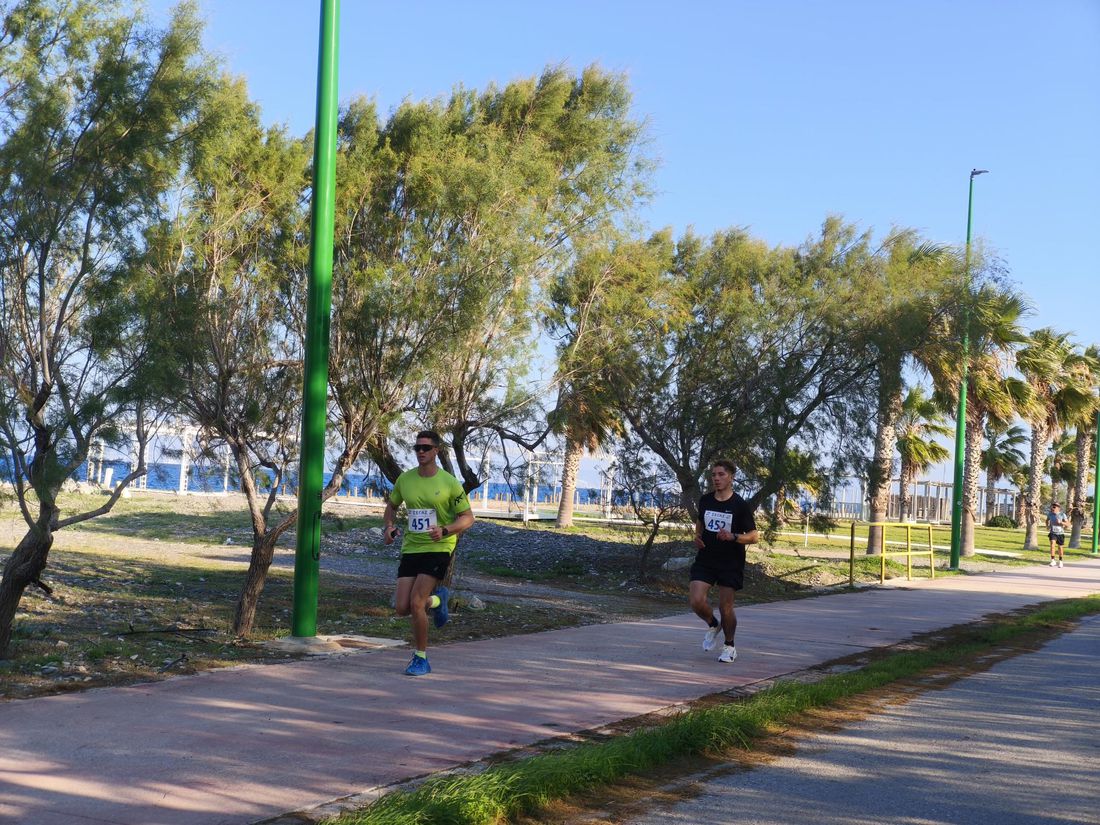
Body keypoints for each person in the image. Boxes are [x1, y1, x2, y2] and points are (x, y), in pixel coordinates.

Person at [383, 430, 474, 676]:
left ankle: (421, 658)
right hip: (412, 547)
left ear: (436, 451)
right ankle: (438, 600)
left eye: (426, 448)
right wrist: (389, 527)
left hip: (439, 547)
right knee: (402, 607)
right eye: (417, 448)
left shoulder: (449, 483)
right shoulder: (405, 480)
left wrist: (445, 530)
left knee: (416, 603)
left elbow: (468, 518)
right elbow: (391, 506)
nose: (421, 452)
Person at [690, 459, 758, 664]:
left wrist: (733, 536)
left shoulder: (739, 505)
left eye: (721, 474)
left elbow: (754, 536)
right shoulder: (705, 500)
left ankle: (729, 646)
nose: (716, 478)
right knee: (696, 601)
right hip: (706, 559)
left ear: (731, 477)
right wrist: (697, 537)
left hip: (730, 562)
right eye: (713, 475)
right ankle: (713, 624)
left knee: (725, 606)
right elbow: (700, 522)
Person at [1046, 502, 1069, 568]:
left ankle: (1060, 561)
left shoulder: (1062, 514)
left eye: (1054, 507)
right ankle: (1053, 560)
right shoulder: (1050, 514)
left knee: (1060, 547)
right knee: (1052, 544)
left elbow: (1068, 524)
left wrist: (1061, 522)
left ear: (1058, 508)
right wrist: (1047, 526)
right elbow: (1047, 520)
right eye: (1052, 507)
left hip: (1060, 533)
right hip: (1052, 533)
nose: (1052, 508)